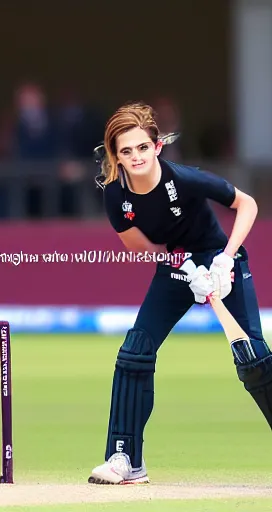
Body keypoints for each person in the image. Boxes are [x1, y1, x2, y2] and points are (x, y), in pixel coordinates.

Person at [89, 102, 272, 485]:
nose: (135, 157)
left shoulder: (185, 179)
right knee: (135, 351)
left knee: (254, 359)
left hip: (223, 263)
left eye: (142, 147)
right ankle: (125, 459)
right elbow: (138, 247)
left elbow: (247, 204)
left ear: (156, 147)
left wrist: (223, 260)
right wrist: (180, 264)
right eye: (126, 151)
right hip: (177, 267)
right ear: (116, 156)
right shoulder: (114, 195)